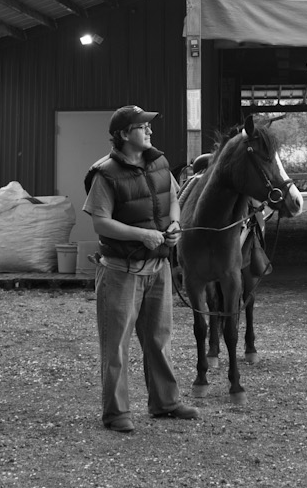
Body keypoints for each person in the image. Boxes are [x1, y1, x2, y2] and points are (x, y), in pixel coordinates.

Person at [82, 104, 199, 433]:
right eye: (142, 127)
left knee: (160, 339)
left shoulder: (159, 162)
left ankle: (165, 402)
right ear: (122, 135)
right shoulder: (105, 174)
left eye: (149, 127)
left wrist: (174, 223)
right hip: (120, 271)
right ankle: (116, 412)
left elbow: (174, 196)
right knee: (116, 343)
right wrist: (143, 234)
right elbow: (101, 223)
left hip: (158, 268)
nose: (149, 132)